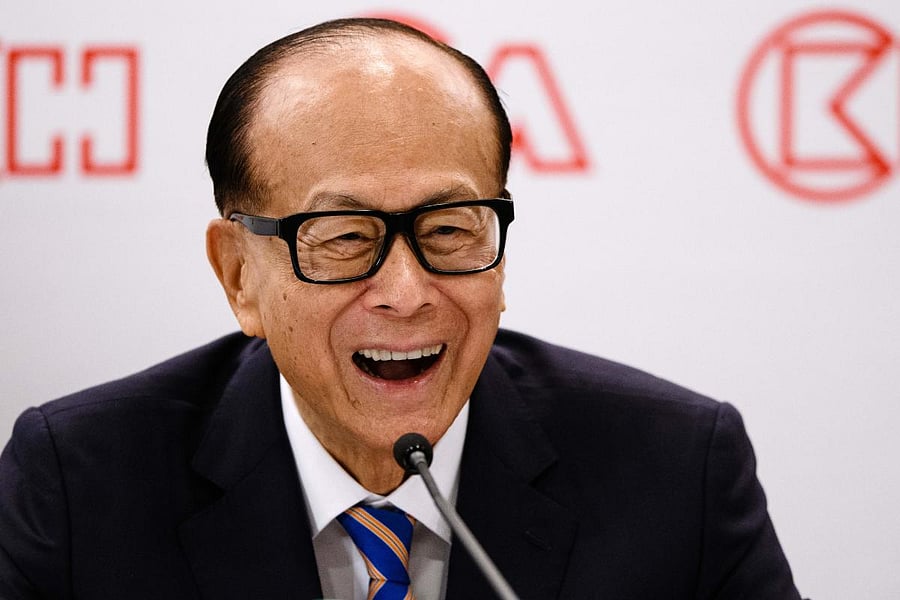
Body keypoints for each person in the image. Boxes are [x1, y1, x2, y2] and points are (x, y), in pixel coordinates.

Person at [0, 17, 803, 600]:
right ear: (239, 274)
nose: (407, 291)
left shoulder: (677, 473)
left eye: (449, 230)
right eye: (344, 237)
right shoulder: (80, 484)